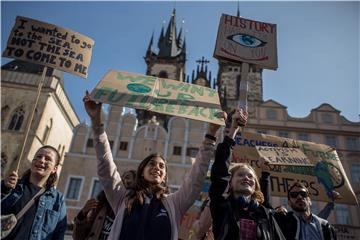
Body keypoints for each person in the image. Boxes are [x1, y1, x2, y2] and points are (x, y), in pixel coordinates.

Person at [83, 92, 222, 240]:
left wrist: (211, 134)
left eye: (162, 166)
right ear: (141, 171)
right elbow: (106, 166)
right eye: (152, 164)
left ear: (164, 177)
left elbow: (196, 177)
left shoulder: (174, 203)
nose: (157, 168)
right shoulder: (122, 197)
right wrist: (96, 122)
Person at [209, 108, 285, 240]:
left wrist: (265, 174)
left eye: (250, 176)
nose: (246, 178)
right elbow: (220, 170)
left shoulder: (265, 214)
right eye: (240, 175)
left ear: (255, 185)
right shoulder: (222, 206)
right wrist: (233, 130)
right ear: (230, 183)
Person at [1, 145, 67, 240]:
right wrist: (4, 188)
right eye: (38, 157)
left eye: (48, 159)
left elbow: (58, 234)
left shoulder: (57, 200)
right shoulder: (10, 186)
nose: (42, 160)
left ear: (54, 169)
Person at [72, 170, 136, 240]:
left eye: (127, 177)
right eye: (121, 178)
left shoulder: (135, 209)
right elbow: (78, 237)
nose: (122, 180)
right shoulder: (101, 205)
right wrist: (82, 215)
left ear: (136, 183)